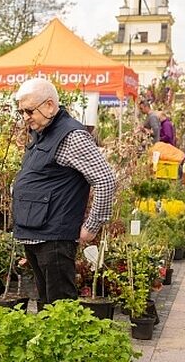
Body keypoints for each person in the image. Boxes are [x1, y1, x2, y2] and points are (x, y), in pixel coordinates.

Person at [12, 78, 116, 305]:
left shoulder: (71, 136)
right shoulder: (42, 132)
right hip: (37, 232)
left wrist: (91, 226)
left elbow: (105, 179)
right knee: (45, 303)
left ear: (49, 105)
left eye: (29, 110)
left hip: (56, 237)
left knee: (60, 307)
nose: (25, 117)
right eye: (21, 111)